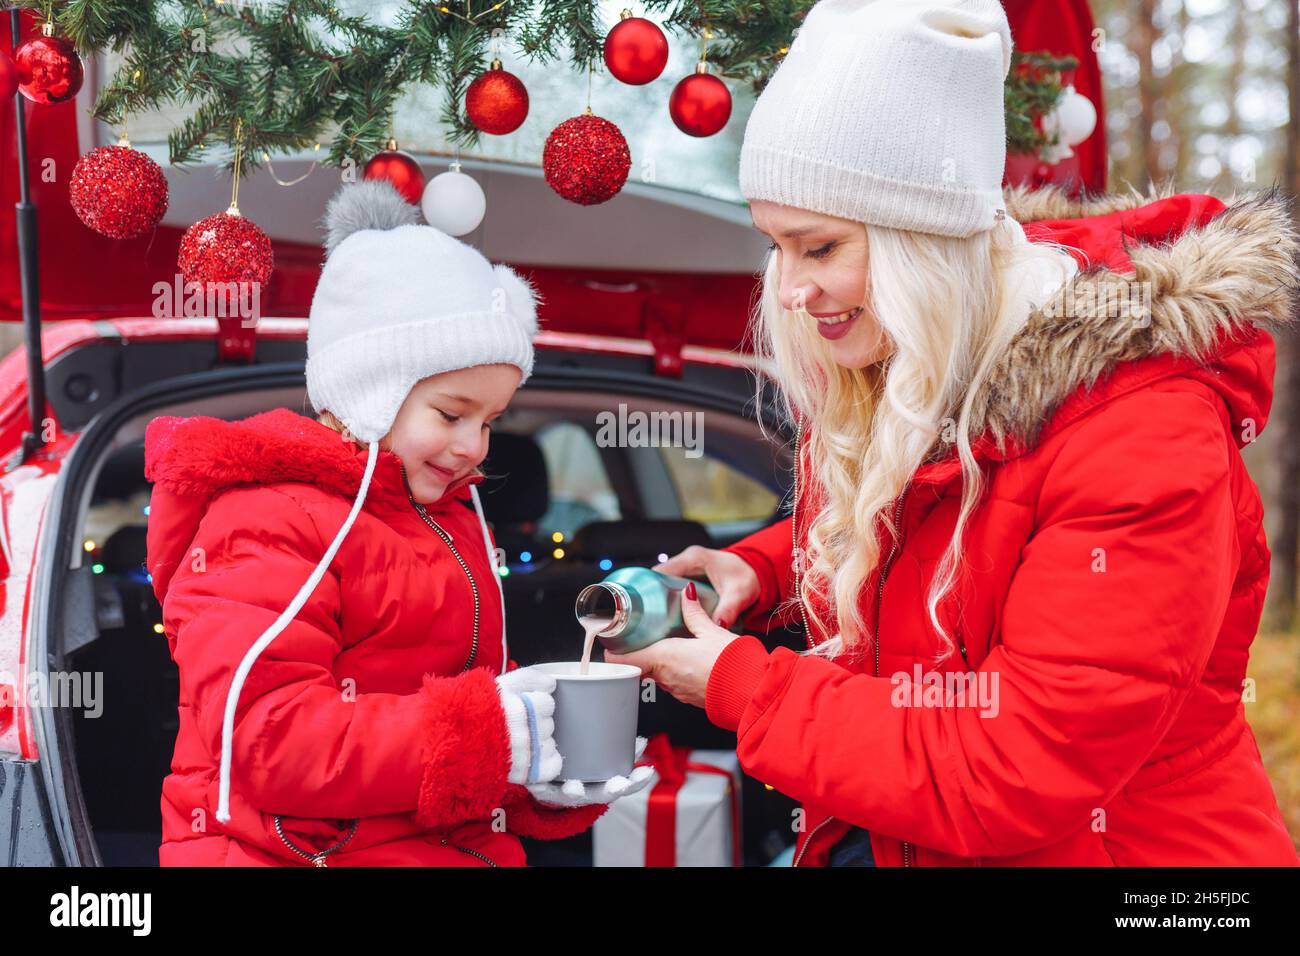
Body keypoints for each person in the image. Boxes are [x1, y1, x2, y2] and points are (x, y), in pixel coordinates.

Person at [606, 0, 1300, 866]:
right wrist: (765, 568)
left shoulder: (1144, 435)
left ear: (921, 243)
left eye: (819, 249)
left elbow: (1016, 768)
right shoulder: (927, 363)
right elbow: (947, 526)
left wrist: (747, 689)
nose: (789, 289)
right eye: (775, 246)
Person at [145, 179, 652, 866]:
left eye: (491, 421)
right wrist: (490, 737)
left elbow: (460, 729)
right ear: (369, 391)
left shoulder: (448, 522)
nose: (475, 446)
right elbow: (272, 744)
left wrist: (543, 771)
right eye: (451, 414)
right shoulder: (265, 520)